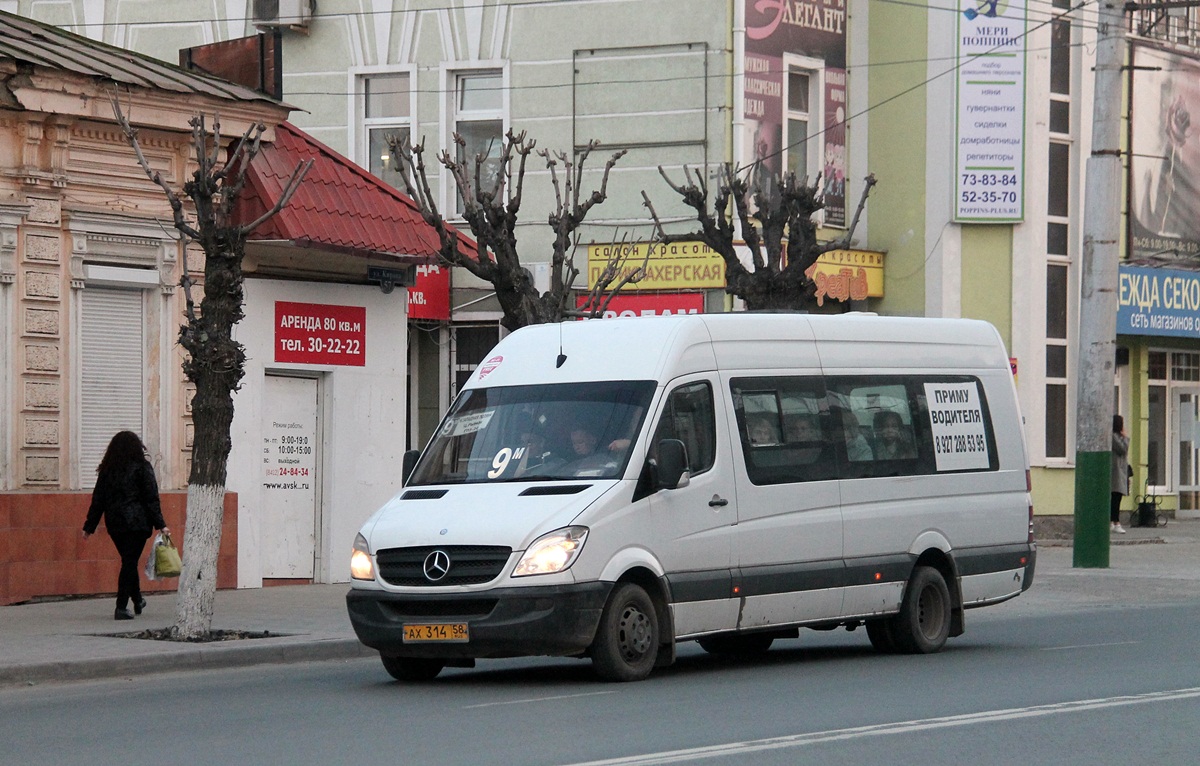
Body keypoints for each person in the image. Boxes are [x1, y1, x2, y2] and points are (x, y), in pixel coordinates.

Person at [82, 431, 169, 620]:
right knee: (129, 562)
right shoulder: (142, 467)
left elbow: (98, 499)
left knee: (128, 561)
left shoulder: (107, 470)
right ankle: (121, 607)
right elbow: (151, 498)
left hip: (115, 524)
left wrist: (90, 526)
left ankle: (137, 600)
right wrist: (161, 524)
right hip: (137, 524)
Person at [1111, 415, 1130, 534]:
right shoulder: (1113, 437)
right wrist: (1125, 437)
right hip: (1116, 471)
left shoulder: (1116, 437)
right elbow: (1123, 449)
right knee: (1116, 498)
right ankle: (1116, 522)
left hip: (1119, 470)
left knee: (1115, 497)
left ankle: (1112, 522)